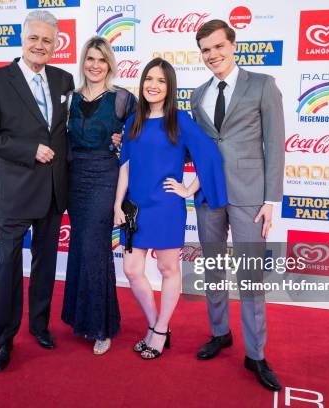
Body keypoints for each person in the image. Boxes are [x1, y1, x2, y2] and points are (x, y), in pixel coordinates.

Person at [0, 10, 74, 372]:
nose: (40, 46)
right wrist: (28, 149)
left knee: (45, 263)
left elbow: (65, 132)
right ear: (23, 39)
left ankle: (39, 325)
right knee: (8, 267)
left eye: (47, 40)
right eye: (34, 38)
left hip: (51, 191)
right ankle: (4, 339)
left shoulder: (64, 80)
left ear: (56, 44)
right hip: (14, 191)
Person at [190, 20, 285, 390]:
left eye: (218, 47)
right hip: (208, 196)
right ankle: (219, 333)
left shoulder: (262, 85)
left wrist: (271, 199)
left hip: (250, 197)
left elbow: (275, 144)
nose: (212, 55)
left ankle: (256, 354)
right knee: (213, 269)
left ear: (233, 45)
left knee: (250, 276)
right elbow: (196, 146)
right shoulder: (198, 94)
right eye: (205, 49)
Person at [114, 58, 228, 360]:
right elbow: (124, 166)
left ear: (169, 86)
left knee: (167, 269)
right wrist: (116, 204)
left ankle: (161, 329)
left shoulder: (180, 120)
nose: (153, 85)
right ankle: (156, 326)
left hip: (166, 206)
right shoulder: (133, 120)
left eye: (161, 81)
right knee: (132, 269)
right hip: (134, 207)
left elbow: (210, 155)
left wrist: (189, 189)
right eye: (149, 79)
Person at [61, 36, 137, 355]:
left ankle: (102, 326)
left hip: (105, 177)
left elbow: (138, 141)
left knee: (95, 247)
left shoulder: (122, 99)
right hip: (73, 177)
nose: (95, 65)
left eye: (101, 59)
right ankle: (82, 319)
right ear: (83, 61)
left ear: (109, 64)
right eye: (90, 58)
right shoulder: (69, 98)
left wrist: (123, 142)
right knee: (81, 246)